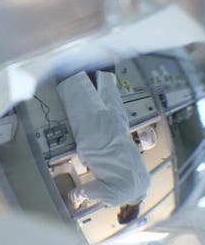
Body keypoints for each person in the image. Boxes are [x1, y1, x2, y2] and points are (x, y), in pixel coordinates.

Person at [56, 71, 151, 218]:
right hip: (97, 136)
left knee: (103, 82)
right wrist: (74, 203)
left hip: (118, 127)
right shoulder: (118, 198)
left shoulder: (146, 184)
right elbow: (83, 192)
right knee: (74, 83)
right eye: (120, 211)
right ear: (124, 212)